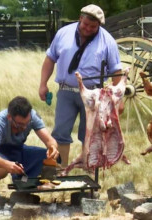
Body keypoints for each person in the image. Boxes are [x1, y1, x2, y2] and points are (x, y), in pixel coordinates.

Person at [39, 4, 122, 168]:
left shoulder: (107, 41)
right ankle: (59, 170)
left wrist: (118, 98)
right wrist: (43, 84)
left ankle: (88, 168)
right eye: (86, 24)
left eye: (93, 26)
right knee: (61, 132)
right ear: (80, 18)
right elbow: (50, 59)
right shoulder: (63, 33)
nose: (88, 29)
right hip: (66, 91)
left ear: (98, 25)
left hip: (92, 95)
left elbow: (116, 71)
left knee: (90, 134)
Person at [0, 96, 59, 195]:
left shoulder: (33, 116)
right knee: (2, 168)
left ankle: (24, 183)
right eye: (19, 125)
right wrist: (7, 164)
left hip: (17, 150)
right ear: (9, 117)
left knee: (45, 156)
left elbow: (50, 140)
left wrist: (52, 148)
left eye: (27, 123)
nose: (24, 127)